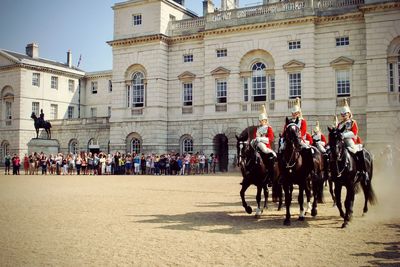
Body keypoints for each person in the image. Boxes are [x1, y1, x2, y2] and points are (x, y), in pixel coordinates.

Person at [336, 98, 368, 182]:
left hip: (350, 141)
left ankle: (362, 171)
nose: (343, 116)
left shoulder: (352, 122)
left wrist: (343, 135)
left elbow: (354, 132)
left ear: (349, 114)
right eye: (342, 115)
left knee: (356, 151)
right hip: (341, 142)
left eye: (345, 114)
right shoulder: (339, 124)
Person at [280, 97, 313, 165]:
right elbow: (285, 130)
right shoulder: (289, 121)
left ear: (299, 113)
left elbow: (303, 131)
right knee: (281, 149)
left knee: (308, 149)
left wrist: (297, 136)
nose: (294, 115)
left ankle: (309, 165)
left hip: (299, 139)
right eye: (293, 113)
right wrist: (283, 137)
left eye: (296, 113)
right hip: (289, 139)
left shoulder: (302, 121)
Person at [250, 105, 276, 180]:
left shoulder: (269, 128)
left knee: (270, 158)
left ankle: (271, 176)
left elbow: (270, 138)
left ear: (265, 121)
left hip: (266, 147)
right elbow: (255, 137)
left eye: (262, 121)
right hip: (257, 146)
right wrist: (254, 140)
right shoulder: (258, 129)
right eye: (260, 121)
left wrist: (260, 139)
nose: (261, 122)